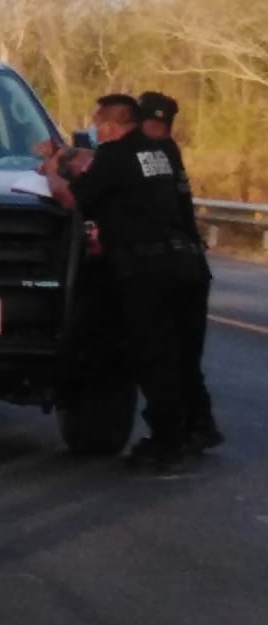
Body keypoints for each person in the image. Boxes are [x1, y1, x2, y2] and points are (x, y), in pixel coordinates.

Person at [44, 94, 201, 471]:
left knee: (150, 355)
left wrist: (51, 170)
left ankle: (166, 443)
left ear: (112, 124)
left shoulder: (115, 156)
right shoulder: (160, 152)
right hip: (181, 263)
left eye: (99, 123)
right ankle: (183, 431)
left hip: (144, 269)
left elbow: (71, 200)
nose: (96, 130)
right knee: (174, 356)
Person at [137, 91, 222, 453]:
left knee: (169, 356)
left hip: (169, 268)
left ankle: (176, 434)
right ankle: (197, 426)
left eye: (161, 124)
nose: (157, 129)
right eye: (153, 123)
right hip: (187, 266)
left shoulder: (138, 154)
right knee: (183, 357)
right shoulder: (170, 153)